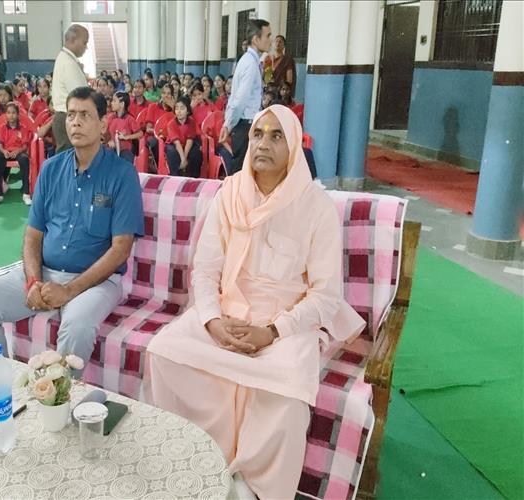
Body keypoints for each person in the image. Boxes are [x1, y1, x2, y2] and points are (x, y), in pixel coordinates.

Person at [145, 105, 365, 499]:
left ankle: (249, 484)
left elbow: (325, 295)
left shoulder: (316, 208)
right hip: (226, 313)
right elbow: (205, 270)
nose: (263, 143)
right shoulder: (230, 194)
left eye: (276, 136)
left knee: (287, 393)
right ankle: (193, 457)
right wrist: (212, 321)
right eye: (258, 134)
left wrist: (272, 332)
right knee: (164, 353)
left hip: (285, 326)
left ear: (293, 147)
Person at [0, 87, 144, 366]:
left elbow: (121, 249)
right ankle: (0, 382)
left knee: (77, 327)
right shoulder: (51, 169)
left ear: (103, 124)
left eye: (85, 115)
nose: (75, 122)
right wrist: (33, 282)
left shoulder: (122, 174)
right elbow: (33, 236)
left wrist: (69, 290)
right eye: (70, 115)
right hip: (45, 273)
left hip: (96, 282)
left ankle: (59, 393)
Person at [219, 19, 272, 174]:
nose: (270, 40)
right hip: (245, 126)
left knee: (246, 173)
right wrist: (228, 125)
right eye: (267, 36)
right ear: (256, 39)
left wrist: (228, 124)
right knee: (241, 174)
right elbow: (239, 101)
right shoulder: (250, 64)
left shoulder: (249, 61)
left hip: (246, 124)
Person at [51, 24, 89, 153]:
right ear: (72, 40)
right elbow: (81, 95)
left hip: (68, 116)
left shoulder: (66, 58)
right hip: (68, 117)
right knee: (68, 158)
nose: (86, 47)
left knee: (72, 157)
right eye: (84, 42)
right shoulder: (68, 63)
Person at [0, 102, 33, 206]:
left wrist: (17, 151)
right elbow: (0, 145)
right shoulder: (2, 128)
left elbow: (25, 146)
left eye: (13, 113)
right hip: (6, 153)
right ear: (6, 115)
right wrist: (4, 151)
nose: (11, 115)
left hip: (18, 152)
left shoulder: (23, 128)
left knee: (24, 159)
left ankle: (26, 194)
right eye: (8, 113)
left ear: (18, 114)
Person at [165, 96, 201, 177]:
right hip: (174, 145)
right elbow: (176, 142)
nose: (179, 111)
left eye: (182, 108)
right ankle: (175, 176)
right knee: (172, 152)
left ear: (188, 111)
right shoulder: (171, 124)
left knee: (196, 153)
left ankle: (194, 177)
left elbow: (190, 140)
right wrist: (183, 159)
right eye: (177, 108)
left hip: (187, 144)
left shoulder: (192, 122)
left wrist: (184, 157)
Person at [106, 91, 142, 164]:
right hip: (111, 148)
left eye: (114, 101)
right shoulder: (110, 117)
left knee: (126, 161)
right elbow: (106, 132)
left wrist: (127, 137)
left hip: (125, 149)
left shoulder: (129, 119)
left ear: (122, 104)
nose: (111, 103)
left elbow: (140, 133)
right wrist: (109, 140)